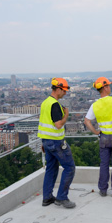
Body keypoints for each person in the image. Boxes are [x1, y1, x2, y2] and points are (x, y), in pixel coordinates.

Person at [37, 77, 76, 209]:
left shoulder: (45, 102)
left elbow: (44, 123)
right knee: (69, 167)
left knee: (51, 169)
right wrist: (66, 114)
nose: (65, 93)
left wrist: (44, 142)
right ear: (58, 89)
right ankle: (62, 198)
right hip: (56, 142)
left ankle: (47, 197)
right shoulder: (54, 104)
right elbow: (58, 124)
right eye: (64, 90)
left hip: (47, 141)